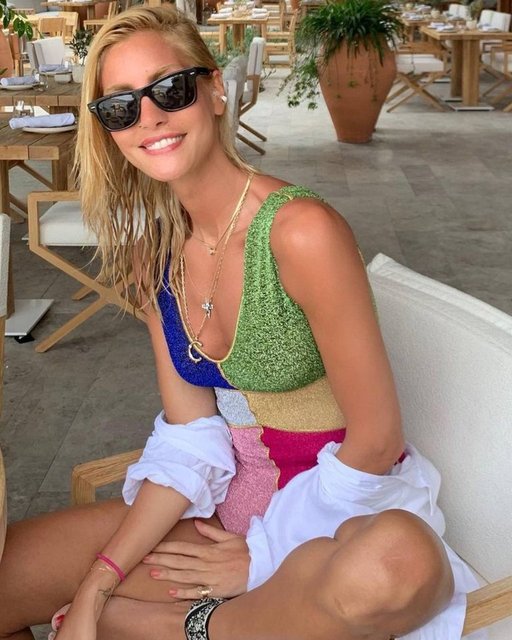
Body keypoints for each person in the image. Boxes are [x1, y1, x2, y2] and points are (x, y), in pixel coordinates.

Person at [0, 6, 479, 640]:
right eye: (120, 106)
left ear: (216, 91)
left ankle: (185, 628)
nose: (149, 117)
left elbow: (376, 439)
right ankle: (178, 621)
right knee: (8, 577)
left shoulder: (300, 232)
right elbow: (192, 437)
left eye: (171, 89)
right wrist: (98, 581)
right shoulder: (155, 256)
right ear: (110, 131)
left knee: (397, 560)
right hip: (226, 520)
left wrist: (263, 552)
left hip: (329, 529)